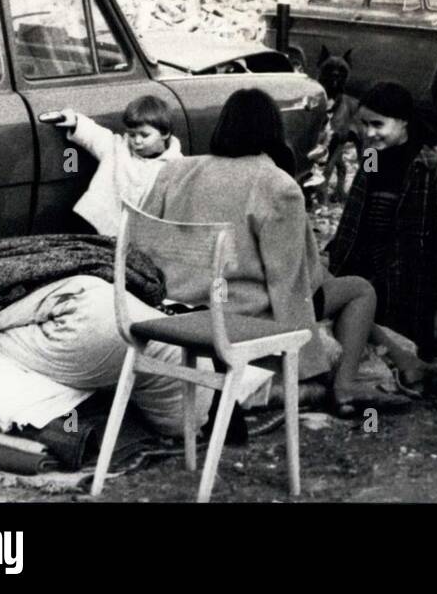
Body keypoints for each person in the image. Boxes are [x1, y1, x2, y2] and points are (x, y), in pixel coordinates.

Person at [142, 88, 414, 414]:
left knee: (333, 284)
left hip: (174, 310)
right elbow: (290, 286)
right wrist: (308, 365)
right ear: (274, 133)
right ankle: (345, 386)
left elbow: (140, 246)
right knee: (359, 289)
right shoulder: (275, 184)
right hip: (238, 317)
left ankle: (405, 361)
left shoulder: (174, 171)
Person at [327, 81, 437, 354]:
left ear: (403, 123)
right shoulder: (373, 158)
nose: (369, 133)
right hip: (366, 274)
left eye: (378, 125)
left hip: (409, 287)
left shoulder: (433, 170)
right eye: (364, 125)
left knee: (401, 350)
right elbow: (353, 220)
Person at [54, 95, 183, 237]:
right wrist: (75, 121)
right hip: (98, 221)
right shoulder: (118, 147)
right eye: (132, 135)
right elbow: (94, 135)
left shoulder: (176, 165)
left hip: (138, 233)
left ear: (165, 133)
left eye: (144, 135)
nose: (137, 141)